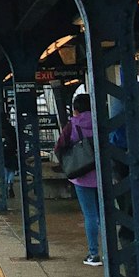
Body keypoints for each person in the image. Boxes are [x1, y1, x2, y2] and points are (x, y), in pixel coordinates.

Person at [54, 92, 101, 266]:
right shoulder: (101, 121)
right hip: (103, 174)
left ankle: (93, 254)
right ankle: (111, 252)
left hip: (81, 176)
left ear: (75, 110)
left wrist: (66, 165)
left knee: (90, 215)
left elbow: (58, 147)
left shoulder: (72, 125)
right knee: (104, 215)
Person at [1, 110, 18, 198]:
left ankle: (5, 185)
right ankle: (9, 184)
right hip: (11, 151)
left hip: (2, 152)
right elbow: (16, 140)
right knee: (12, 169)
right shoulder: (11, 128)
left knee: (4, 169)